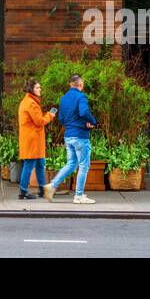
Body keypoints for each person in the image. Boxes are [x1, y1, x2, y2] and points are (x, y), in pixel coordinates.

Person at [45, 73, 99, 204]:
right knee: (84, 166)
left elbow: (61, 118)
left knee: (71, 164)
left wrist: (72, 124)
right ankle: (79, 196)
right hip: (80, 136)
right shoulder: (81, 96)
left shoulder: (64, 98)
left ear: (70, 84)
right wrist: (93, 121)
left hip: (68, 136)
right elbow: (84, 112)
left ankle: (52, 186)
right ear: (80, 85)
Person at [16, 79, 55, 200]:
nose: (40, 89)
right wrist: (50, 115)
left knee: (40, 164)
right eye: (38, 87)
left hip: (33, 140)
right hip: (32, 140)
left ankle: (42, 190)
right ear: (31, 89)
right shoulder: (31, 103)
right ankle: (23, 191)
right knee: (29, 164)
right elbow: (40, 121)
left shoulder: (28, 101)